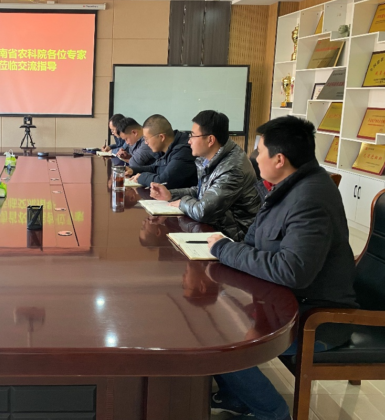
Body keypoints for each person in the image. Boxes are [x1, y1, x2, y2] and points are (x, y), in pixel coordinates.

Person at [205, 116, 358, 420]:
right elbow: (252, 242)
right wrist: (228, 255)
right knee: (210, 316)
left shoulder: (310, 197)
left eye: (259, 151)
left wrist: (224, 249)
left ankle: (273, 414)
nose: (254, 158)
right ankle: (239, 397)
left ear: (279, 159)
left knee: (219, 343)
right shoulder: (284, 188)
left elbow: (292, 271)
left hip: (316, 318)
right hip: (282, 301)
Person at [150, 110, 259, 241]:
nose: (189, 141)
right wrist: (170, 194)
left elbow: (204, 211)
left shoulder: (233, 168)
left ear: (210, 140)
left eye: (193, 135)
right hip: (218, 227)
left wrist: (182, 202)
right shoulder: (210, 157)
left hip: (237, 237)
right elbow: (203, 191)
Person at [124, 114, 196, 189]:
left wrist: (141, 177)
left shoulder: (183, 152)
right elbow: (155, 168)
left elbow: (164, 182)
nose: (146, 142)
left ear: (161, 137)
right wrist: (133, 170)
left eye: (146, 139)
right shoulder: (166, 147)